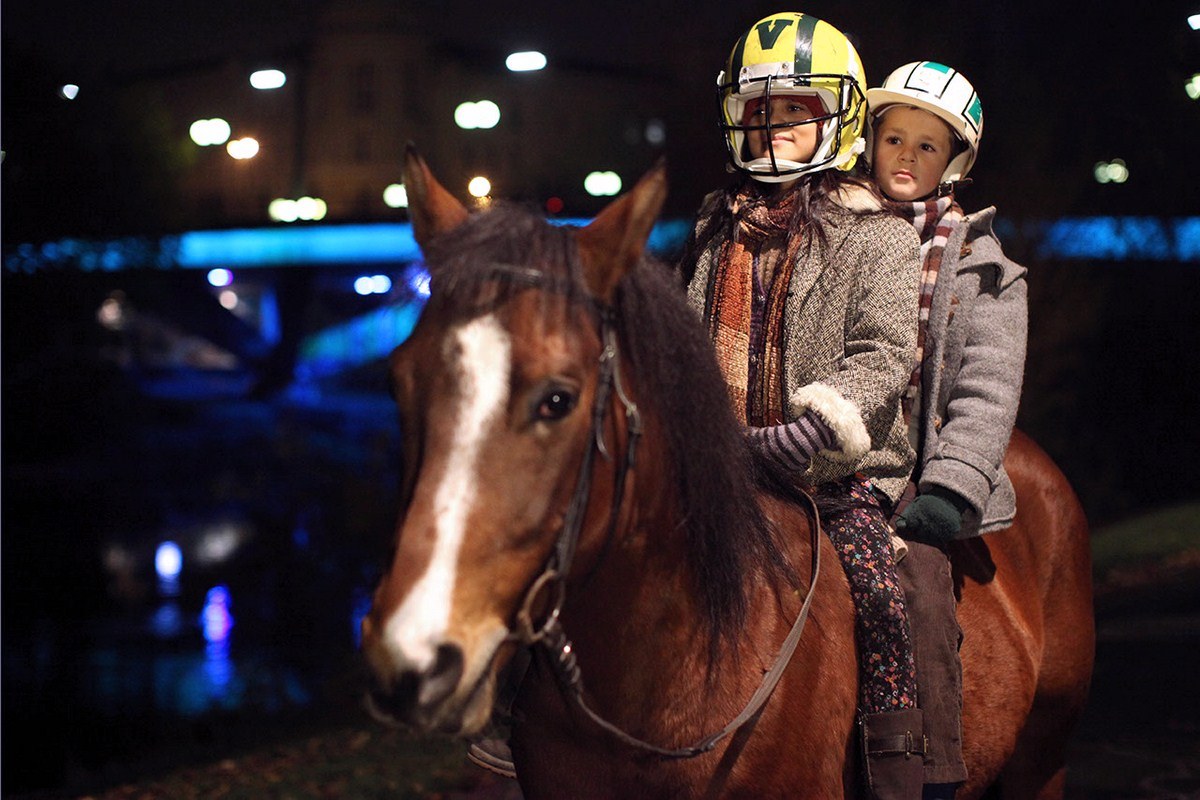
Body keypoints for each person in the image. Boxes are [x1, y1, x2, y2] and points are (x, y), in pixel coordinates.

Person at [677, 12, 927, 799]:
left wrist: (815, 426)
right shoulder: (715, 227)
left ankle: (898, 759)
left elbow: (885, 352)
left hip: (833, 473)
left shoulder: (877, 235)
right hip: (724, 466)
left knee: (882, 594)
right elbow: (686, 344)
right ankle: (520, 735)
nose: (775, 129)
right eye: (761, 112)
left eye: (795, 111)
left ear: (839, 117)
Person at [865, 62, 1029, 798]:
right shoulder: (844, 237)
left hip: (915, 474)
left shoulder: (984, 270)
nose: (905, 156)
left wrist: (952, 484)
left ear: (953, 161)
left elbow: (986, 389)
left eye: (927, 147)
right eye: (893, 137)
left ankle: (927, 766)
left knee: (921, 584)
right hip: (833, 454)